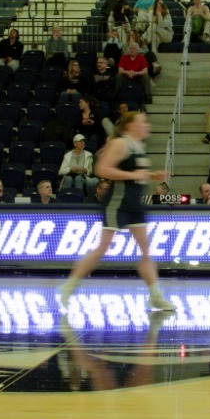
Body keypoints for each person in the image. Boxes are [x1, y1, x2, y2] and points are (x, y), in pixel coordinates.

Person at [57, 110, 176, 313]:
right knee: (103, 248)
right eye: (142, 122)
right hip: (118, 202)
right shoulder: (120, 143)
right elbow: (101, 170)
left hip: (135, 203)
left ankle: (156, 296)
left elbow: (135, 174)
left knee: (146, 251)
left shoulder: (139, 145)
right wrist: (133, 175)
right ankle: (68, 287)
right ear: (131, 125)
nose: (147, 125)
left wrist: (152, 175)